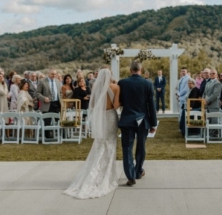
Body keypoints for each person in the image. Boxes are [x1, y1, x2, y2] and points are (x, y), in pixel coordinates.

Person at [64, 68, 120, 199]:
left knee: (100, 143)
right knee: (110, 144)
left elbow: (93, 104)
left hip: (101, 117)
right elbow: (116, 106)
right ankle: (108, 176)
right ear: (110, 76)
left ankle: (95, 173)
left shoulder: (96, 87)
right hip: (111, 117)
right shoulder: (115, 87)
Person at [118, 60, 157, 186]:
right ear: (141, 69)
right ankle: (138, 171)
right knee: (141, 146)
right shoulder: (147, 83)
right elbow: (151, 105)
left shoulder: (122, 83)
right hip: (142, 120)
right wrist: (153, 124)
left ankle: (130, 176)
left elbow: (121, 102)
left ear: (130, 70)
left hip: (127, 119)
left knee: (127, 148)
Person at [36, 69, 62, 139]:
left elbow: (60, 93)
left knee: (60, 120)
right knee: (47, 121)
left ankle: (60, 136)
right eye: (52, 74)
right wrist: (44, 98)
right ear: (48, 74)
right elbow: (37, 93)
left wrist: (61, 100)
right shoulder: (42, 81)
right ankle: (48, 137)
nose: (54, 75)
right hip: (47, 104)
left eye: (55, 74)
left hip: (57, 104)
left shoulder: (58, 81)